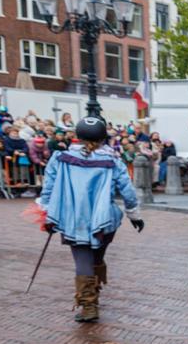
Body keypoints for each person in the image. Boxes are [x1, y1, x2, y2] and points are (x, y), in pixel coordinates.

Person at [35, 115, 144, 322]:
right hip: (104, 219)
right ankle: (94, 290)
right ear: (103, 138)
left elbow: (48, 189)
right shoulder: (113, 161)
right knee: (96, 256)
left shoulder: (60, 158)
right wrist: (134, 215)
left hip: (73, 218)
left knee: (82, 259)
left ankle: (89, 306)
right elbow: (128, 191)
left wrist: (47, 214)